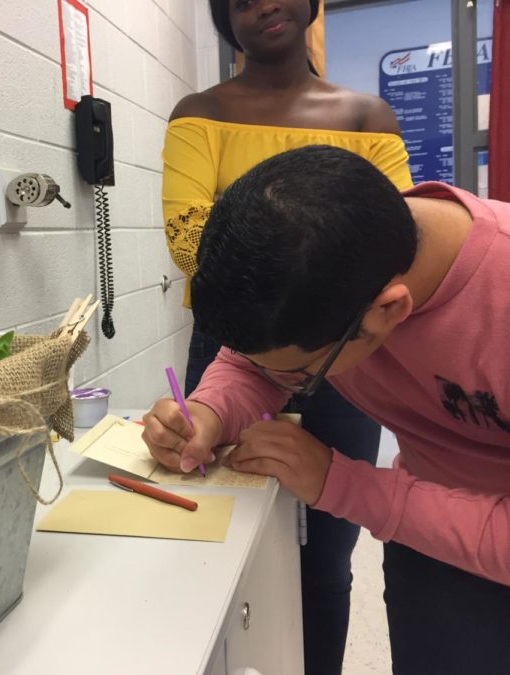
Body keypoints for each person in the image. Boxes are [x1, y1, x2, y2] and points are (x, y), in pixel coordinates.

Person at [144, 145, 510, 674]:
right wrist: (209, 411)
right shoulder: (326, 266)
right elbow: (251, 365)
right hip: (429, 538)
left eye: (300, 373)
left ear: (389, 311)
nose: (284, 381)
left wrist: (342, 485)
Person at [161, 1, 413, 671]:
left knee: (327, 550)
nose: (262, 5)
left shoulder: (367, 117)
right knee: (222, 522)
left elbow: (393, 240)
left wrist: (268, 245)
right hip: (239, 342)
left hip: (343, 352)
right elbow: (191, 242)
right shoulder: (198, 111)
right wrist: (320, 255)